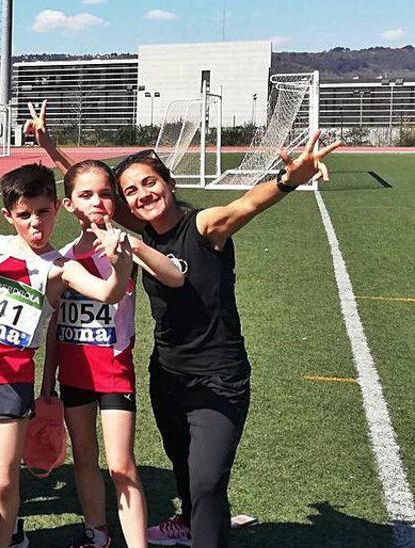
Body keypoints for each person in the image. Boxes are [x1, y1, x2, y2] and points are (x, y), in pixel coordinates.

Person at [113, 133, 338, 548]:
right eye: (132, 190)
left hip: (218, 379)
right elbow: (88, 191)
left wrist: (289, 181)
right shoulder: (145, 231)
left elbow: (246, 205)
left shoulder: (203, 225)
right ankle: (190, 522)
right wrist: (53, 148)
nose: (143, 194)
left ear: (170, 184)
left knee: (206, 480)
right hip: (167, 375)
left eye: (149, 183)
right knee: (185, 468)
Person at [0, 163, 133, 548]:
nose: (35, 223)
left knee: (1, 480)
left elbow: (107, 292)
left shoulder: (59, 267)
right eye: (24, 215)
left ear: (57, 208)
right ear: (9, 216)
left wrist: (120, 268)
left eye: (42, 212)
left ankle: (3, 543)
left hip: (10, 383)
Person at [26, 102, 185, 548]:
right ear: (68, 203)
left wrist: (54, 149)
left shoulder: (127, 244)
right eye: (86, 196)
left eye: (105, 194)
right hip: (74, 377)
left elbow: (121, 284)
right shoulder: (62, 259)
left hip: (114, 374)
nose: (97, 202)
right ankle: (97, 533)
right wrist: (47, 382)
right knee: (84, 460)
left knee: (121, 465)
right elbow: (55, 326)